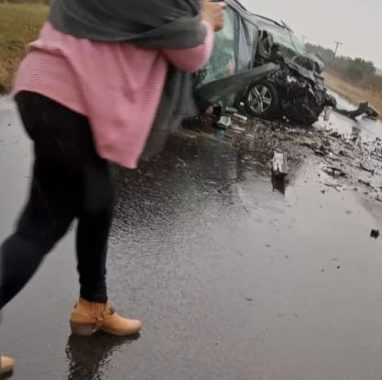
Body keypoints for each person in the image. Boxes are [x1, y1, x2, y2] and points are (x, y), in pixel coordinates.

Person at [0, 0, 225, 375]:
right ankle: (92, 303)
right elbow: (189, 52)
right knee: (39, 228)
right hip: (70, 100)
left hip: (52, 88)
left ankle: (93, 304)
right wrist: (204, 20)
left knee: (98, 202)